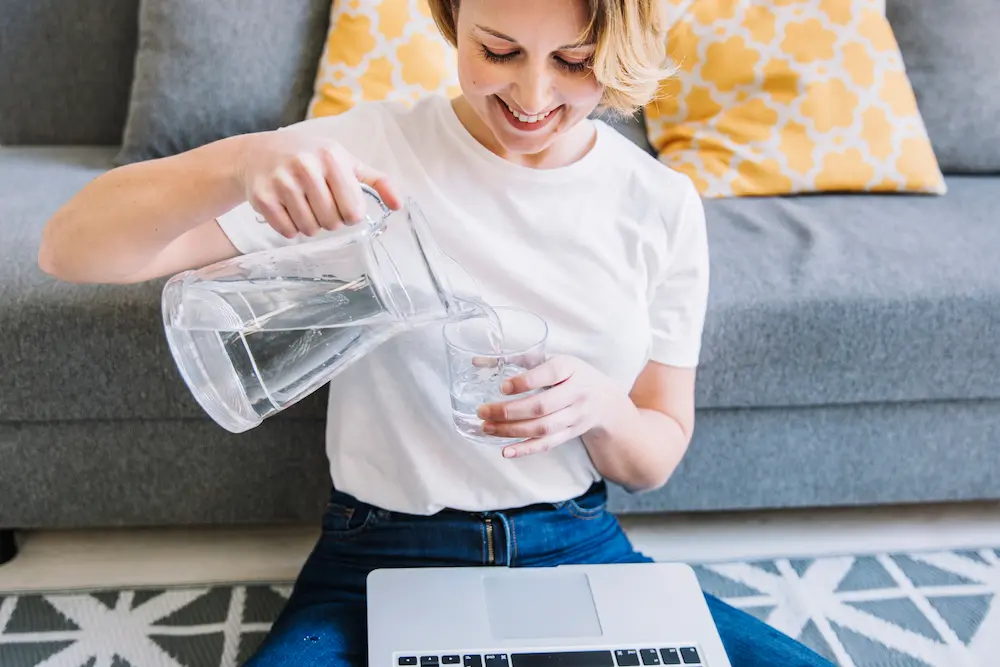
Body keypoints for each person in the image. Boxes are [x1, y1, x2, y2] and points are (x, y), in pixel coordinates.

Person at [38, 0, 834, 665]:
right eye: (499, 49)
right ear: (455, 17)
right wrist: (246, 161)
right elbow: (68, 249)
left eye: (575, 61)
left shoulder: (658, 205)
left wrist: (601, 405)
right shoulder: (366, 158)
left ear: (622, 51)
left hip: (574, 546)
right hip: (377, 556)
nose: (532, 93)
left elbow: (656, 452)